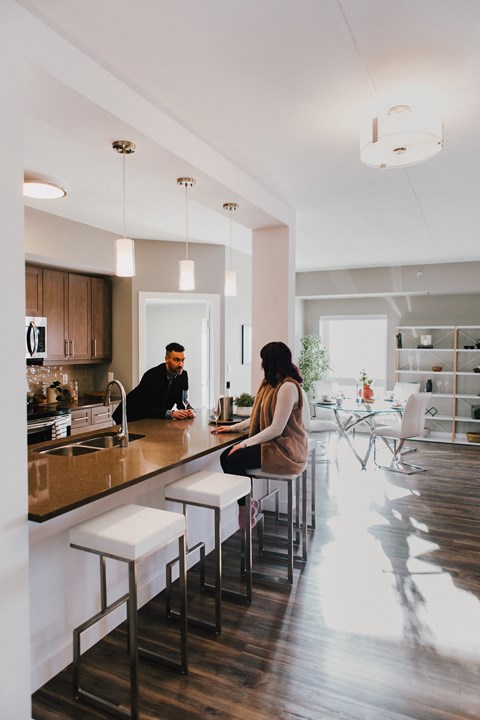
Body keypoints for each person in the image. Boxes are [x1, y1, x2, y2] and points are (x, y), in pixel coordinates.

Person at [212, 341, 308, 529]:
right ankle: (248, 504)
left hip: (285, 449)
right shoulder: (269, 384)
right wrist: (232, 428)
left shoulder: (288, 387)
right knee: (226, 456)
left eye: (263, 360)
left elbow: (276, 429)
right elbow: (257, 416)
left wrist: (244, 444)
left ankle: (246, 507)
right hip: (273, 444)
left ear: (271, 362)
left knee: (231, 459)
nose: (261, 364)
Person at [112, 342, 195, 423]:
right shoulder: (152, 375)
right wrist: (172, 413)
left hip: (151, 418)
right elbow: (146, 407)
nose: (181, 364)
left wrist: (190, 410)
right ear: (166, 359)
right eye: (176, 360)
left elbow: (182, 401)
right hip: (130, 415)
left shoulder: (183, 375)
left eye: (182, 360)